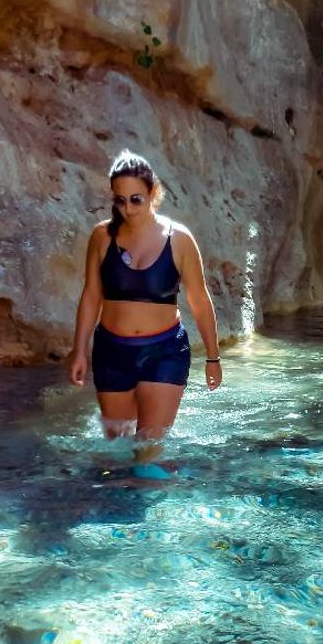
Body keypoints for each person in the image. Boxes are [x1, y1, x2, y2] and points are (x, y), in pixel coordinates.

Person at [67, 150, 222, 473]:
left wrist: (213, 356)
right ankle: (120, 519)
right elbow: (92, 295)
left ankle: (154, 518)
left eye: (136, 199)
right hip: (111, 352)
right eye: (120, 200)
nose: (127, 209)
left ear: (154, 193)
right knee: (119, 452)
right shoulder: (101, 236)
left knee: (148, 452)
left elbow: (199, 299)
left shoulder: (179, 240)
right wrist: (79, 350)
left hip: (164, 352)